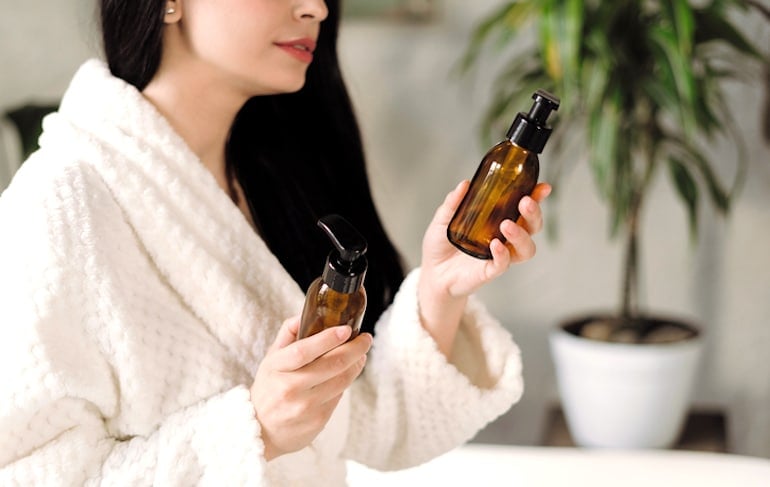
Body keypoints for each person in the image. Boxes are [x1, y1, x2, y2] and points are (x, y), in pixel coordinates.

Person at [0, 0, 551, 484]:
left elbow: (363, 427)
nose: (317, 7)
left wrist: (441, 288)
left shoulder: (268, 181)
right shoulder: (60, 206)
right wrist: (253, 430)